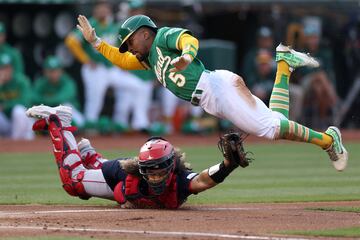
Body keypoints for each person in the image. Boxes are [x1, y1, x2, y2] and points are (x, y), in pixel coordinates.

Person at [76, 14, 348, 171]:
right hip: (213, 97)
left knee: (272, 129)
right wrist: (97, 43)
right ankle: (284, 66)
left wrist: (186, 55)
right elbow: (123, 61)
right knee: (276, 122)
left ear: (144, 33)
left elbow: (188, 39)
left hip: (216, 89)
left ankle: (328, 139)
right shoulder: (148, 57)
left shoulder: (160, 38)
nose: (129, 48)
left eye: (130, 41)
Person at [25, 104, 247, 209]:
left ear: (171, 167)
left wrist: (228, 165)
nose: (155, 177)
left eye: (160, 171)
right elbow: (121, 195)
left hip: (123, 180)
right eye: (150, 171)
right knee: (73, 182)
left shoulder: (180, 180)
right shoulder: (130, 176)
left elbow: (203, 179)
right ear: (142, 170)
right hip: (116, 178)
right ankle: (60, 122)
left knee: (87, 177)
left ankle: (88, 153)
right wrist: (127, 200)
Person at [65, 1, 146, 131]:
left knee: (138, 86)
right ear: (95, 10)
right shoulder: (91, 24)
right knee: (94, 101)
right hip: (95, 69)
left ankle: (140, 123)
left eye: (106, 7)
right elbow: (71, 41)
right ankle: (90, 128)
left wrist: (120, 65)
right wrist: (85, 59)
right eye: (101, 7)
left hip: (110, 69)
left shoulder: (111, 24)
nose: (104, 10)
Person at [32, 56, 85, 128]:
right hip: (48, 113)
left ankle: (79, 128)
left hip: (69, 114)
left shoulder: (67, 81)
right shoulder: (41, 83)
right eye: (50, 71)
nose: (53, 74)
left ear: (61, 71)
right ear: (45, 72)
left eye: (56, 71)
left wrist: (45, 100)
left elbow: (61, 99)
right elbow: (33, 97)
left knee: (65, 106)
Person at [0, 53, 33, 140]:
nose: (5, 71)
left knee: (18, 110)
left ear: (12, 68)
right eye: (2, 68)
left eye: (7, 68)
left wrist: (6, 106)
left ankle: (16, 143)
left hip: (22, 125)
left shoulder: (21, 81)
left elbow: (26, 102)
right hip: (5, 123)